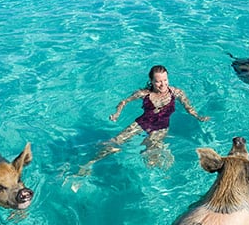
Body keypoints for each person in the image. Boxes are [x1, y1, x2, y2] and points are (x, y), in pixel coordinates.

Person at [77, 65, 210, 175]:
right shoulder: (144, 93)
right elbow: (124, 102)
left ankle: (156, 178)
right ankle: (88, 164)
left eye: (165, 80)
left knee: (150, 155)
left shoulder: (176, 93)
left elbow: (188, 107)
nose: (163, 84)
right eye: (158, 81)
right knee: (114, 143)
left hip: (160, 128)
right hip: (141, 123)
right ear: (151, 81)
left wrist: (198, 117)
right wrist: (117, 114)